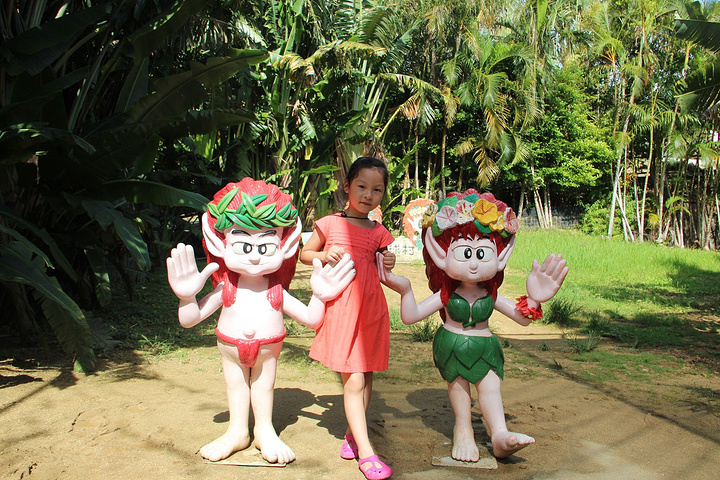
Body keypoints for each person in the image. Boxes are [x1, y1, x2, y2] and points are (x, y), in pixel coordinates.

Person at [166, 178, 355, 465]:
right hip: (230, 347)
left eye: (265, 246)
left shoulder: (275, 290)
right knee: (236, 386)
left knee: (264, 386)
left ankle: (264, 430)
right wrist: (186, 297)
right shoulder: (226, 288)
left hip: (268, 348)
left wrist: (320, 296)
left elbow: (313, 320)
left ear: (285, 245)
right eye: (243, 245)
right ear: (220, 243)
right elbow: (190, 319)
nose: (254, 257)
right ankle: (237, 431)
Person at [378, 190, 568, 462]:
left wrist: (535, 299)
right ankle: (463, 429)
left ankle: (500, 434)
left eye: (482, 254)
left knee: (490, 388)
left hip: (485, 347)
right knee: (459, 388)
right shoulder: (446, 295)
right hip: (451, 345)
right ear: (441, 255)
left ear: (500, 257)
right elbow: (411, 316)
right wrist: (405, 289)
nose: (475, 264)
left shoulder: (490, 294)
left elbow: (522, 319)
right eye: (465, 253)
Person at [299, 157, 397, 480]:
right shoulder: (329, 224)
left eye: (377, 189)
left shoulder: (379, 231)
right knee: (353, 379)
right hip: (342, 310)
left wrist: (389, 259)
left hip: (371, 310)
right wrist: (323, 254)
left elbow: (383, 262)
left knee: (366, 376)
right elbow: (304, 254)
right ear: (347, 186)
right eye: (362, 186)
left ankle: (354, 435)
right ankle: (367, 454)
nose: (368, 194)